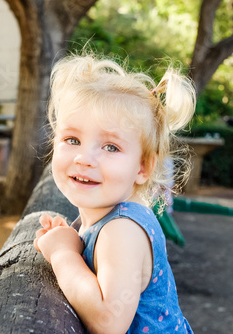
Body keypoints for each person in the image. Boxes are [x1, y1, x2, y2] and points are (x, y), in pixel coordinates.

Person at [33, 53, 195, 333]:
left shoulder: (122, 230)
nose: (84, 158)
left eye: (110, 147)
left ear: (142, 167)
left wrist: (62, 253)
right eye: (72, 139)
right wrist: (72, 241)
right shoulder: (104, 219)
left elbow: (109, 321)